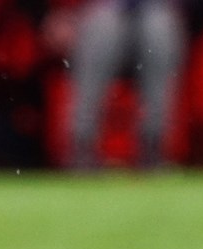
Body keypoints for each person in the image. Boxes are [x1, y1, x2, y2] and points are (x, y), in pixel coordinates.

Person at [66, 0, 188, 169]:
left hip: (157, 11)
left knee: (158, 27)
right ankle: (81, 148)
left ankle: (155, 147)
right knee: (103, 26)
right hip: (102, 11)